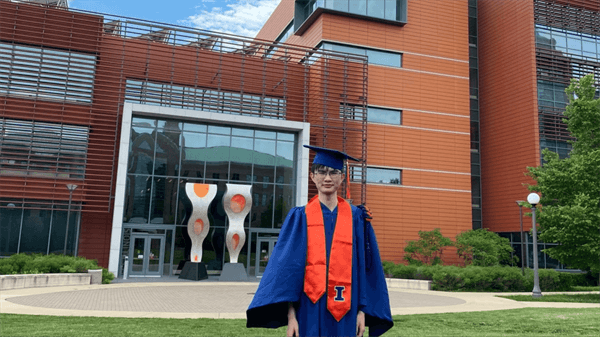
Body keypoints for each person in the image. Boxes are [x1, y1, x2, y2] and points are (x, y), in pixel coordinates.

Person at [246, 145, 393, 337]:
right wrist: (291, 317)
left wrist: (362, 311)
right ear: (312, 176)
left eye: (334, 172)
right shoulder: (300, 217)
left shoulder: (357, 218)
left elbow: (366, 270)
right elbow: (287, 273)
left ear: (342, 177)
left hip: (347, 310)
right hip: (308, 310)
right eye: (321, 172)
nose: (327, 178)